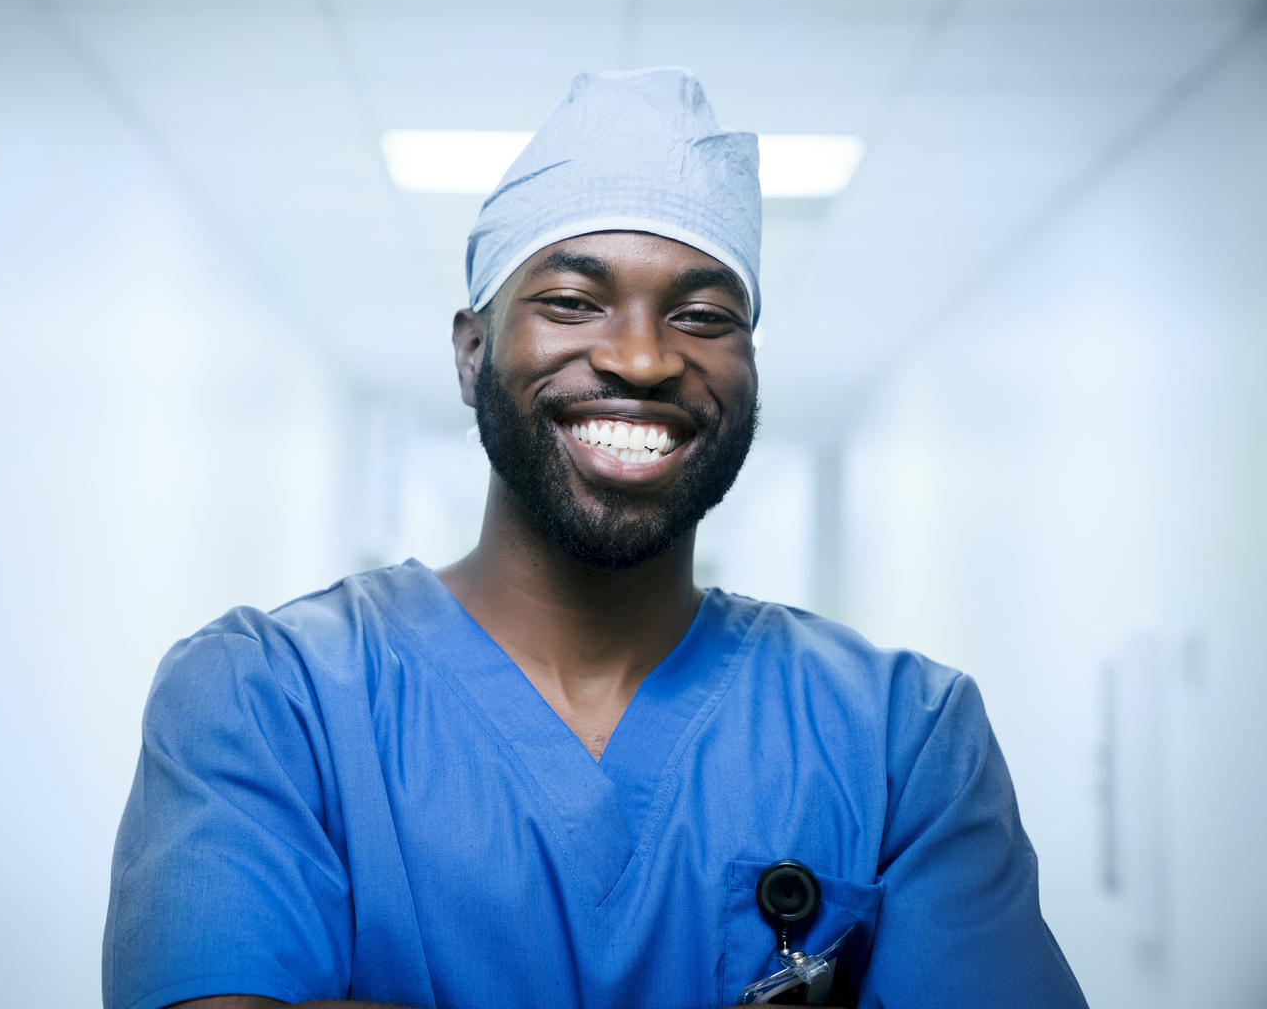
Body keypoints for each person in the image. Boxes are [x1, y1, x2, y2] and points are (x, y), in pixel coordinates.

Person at [102, 68, 1087, 1009]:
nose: (642, 357)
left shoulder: (901, 735)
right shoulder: (269, 699)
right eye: (573, 300)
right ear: (472, 349)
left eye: (703, 315)